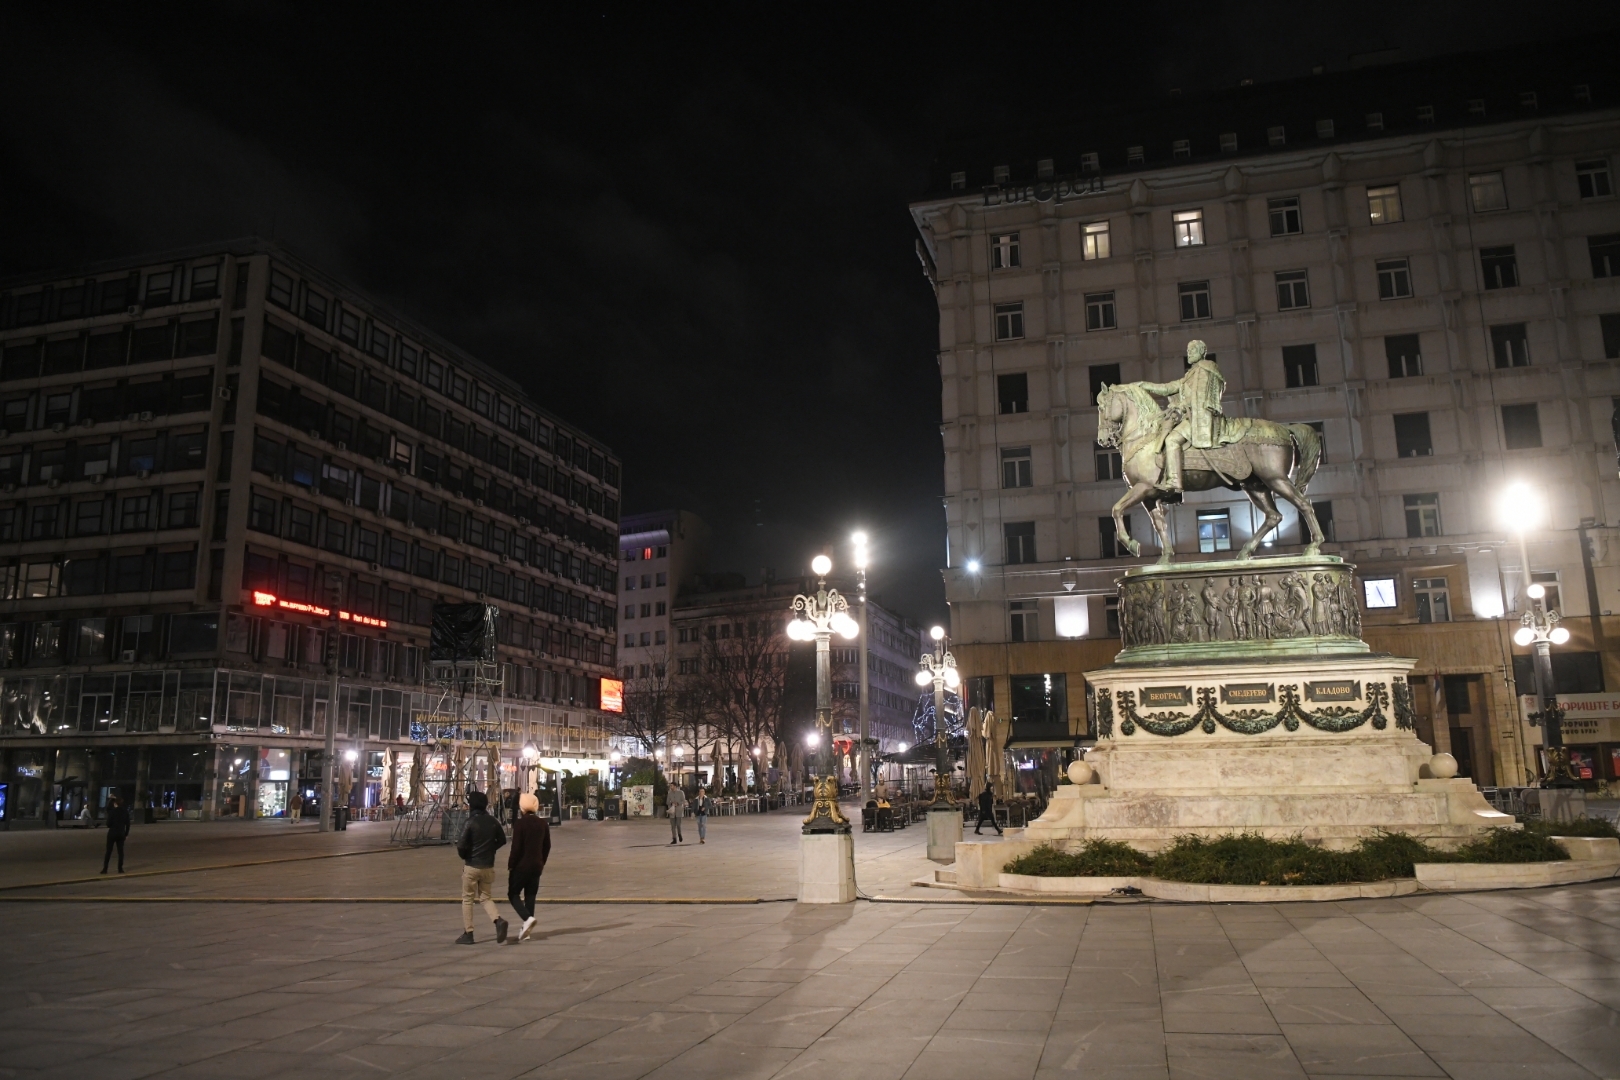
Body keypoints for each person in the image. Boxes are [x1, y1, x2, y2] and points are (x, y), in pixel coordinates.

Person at [1136, 339, 1229, 492]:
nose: (1189, 353)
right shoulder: (1191, 374)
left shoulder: (1206, 369)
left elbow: (1199, 397)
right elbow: (1168, 388)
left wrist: (1180, 405)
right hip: (1190, 416)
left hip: (1200, 417)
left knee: (1172, 440)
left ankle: (1175, 481)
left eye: (1192, 350)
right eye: (1188, 350)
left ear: (1201, 352)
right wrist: (1146, 385)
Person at [454, 791, 508, 945]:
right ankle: (497, 920)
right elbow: (502, 839)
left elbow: (461, 845)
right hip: (488, 865)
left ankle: (468, 932)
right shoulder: (493, 821)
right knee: (485, 897)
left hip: (472, 865)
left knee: (468, 899)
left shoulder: (470, 822)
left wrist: (466, 856)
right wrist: (491, 849)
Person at [505, 792, 551, 943]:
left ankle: (527, 918)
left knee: (513, 894)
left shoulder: (520, 824)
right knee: (530, 896)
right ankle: (527, 930)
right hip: (536, 865)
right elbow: (547, 846)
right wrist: (542, 861)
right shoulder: (543, 823)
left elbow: (516, 848)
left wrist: (511, 864)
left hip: (521, 866)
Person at [101, 796, 130, 873]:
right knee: (120, 852)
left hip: (112, 832)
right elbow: (128, 824)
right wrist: (126, 834)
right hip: (121, 833)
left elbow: (108, 824)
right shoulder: (125, 812)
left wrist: (111, 799)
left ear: (115, 804)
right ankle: (120, 868)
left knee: (109, 851)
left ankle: (105, 868)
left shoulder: (112, 812)